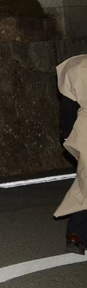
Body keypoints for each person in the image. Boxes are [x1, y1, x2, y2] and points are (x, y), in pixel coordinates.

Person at [55, 54, 86, 255]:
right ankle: (75, 232)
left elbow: (68, 110)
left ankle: (76, 234)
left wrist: (66, 135)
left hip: (83, 130)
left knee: (85, 183)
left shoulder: (76, 66)